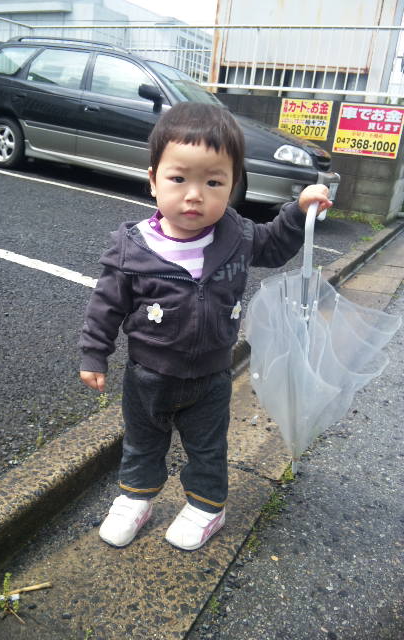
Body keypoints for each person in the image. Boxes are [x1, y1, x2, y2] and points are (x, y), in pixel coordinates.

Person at [78, 102, 332, 551]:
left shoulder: (236, 235)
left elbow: (275, 246)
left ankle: (206, 507)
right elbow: (106, 304)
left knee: (207, 448)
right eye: (179, 179)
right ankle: (135, 498)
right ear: (153, 179)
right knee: (141, 443)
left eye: (213, 182)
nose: (195, 195)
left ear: (233, 185)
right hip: (147, 375)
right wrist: (94, 353)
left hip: (211, 377)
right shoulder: (131, 247)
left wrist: (297, 211)